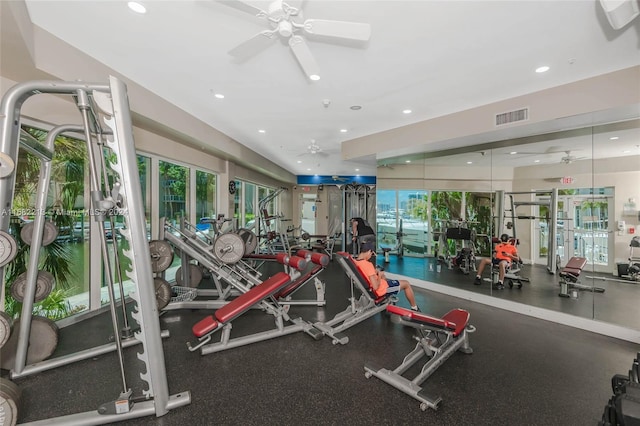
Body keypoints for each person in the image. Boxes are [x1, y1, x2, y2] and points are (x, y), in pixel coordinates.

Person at [354, 241, 420, 311]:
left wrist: (375, 273)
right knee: (406, 284)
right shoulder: (368, 265)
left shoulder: (356, 262)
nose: (371, 256)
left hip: (373, 287)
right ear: (369, 251)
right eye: (372, 254)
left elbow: (366, 274)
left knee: (384, 277)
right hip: (380, 290)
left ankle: (387, 299)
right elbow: (375, 287)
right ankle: (415, 308)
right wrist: (379, 275)